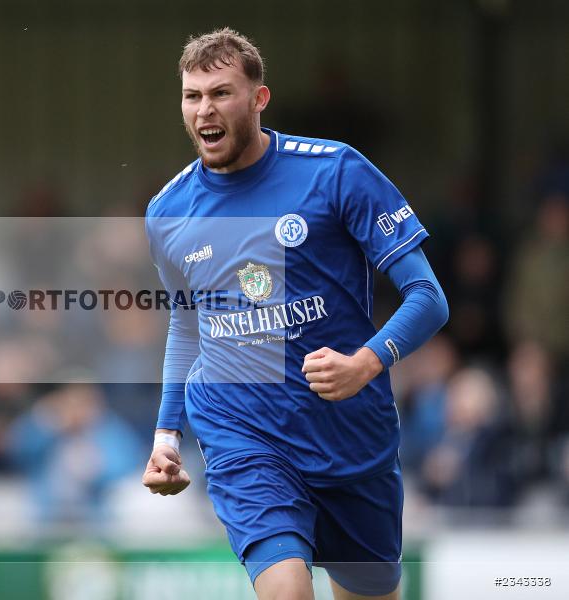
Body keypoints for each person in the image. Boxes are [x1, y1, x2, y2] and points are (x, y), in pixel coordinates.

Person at [141, 29, 448, 600]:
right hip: (245, 434)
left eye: (221, 93)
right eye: (192, 96)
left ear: (259, 100)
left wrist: (366, 363)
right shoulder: (168, 212)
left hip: (352, 439)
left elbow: (428, 296)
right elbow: (187, 324)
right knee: (285, 590)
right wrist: (167, 433)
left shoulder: (334, 172)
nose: (204, 109)